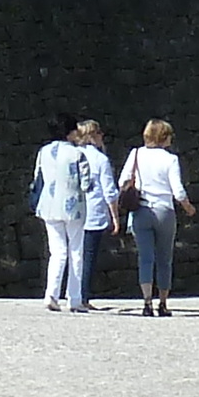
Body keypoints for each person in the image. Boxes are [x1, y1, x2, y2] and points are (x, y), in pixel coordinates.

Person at [119, 119, 194, 314]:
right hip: (164, 211)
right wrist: (188, 207)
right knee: (164, 258)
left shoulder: (135, 154)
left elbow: (122, 181)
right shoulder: (170, 159)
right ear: (164, 137)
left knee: (145, 258)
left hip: (141, 211)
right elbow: (178, 191)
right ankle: (162, 303)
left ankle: (146, 302)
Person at [28, 118, 91, 312]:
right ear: (70, 133)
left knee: (57, 252)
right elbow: (86, 185)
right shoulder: (78, 153)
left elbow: (37, 178)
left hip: (48, 205)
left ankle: (51, 294)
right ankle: (75, 298)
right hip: (74, 208)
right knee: (75, 252)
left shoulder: (43, 152)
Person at [71, 119, 118, 309]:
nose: (102, 136)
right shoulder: (100, 159)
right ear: (91, 136)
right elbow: (109, 191)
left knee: (72, 253)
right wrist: (115, 216)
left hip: (73, 211)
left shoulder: (72, 155)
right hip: (93, 213)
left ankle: (69, 292)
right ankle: (83, 296)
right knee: (88, 256)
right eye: (98, 133)